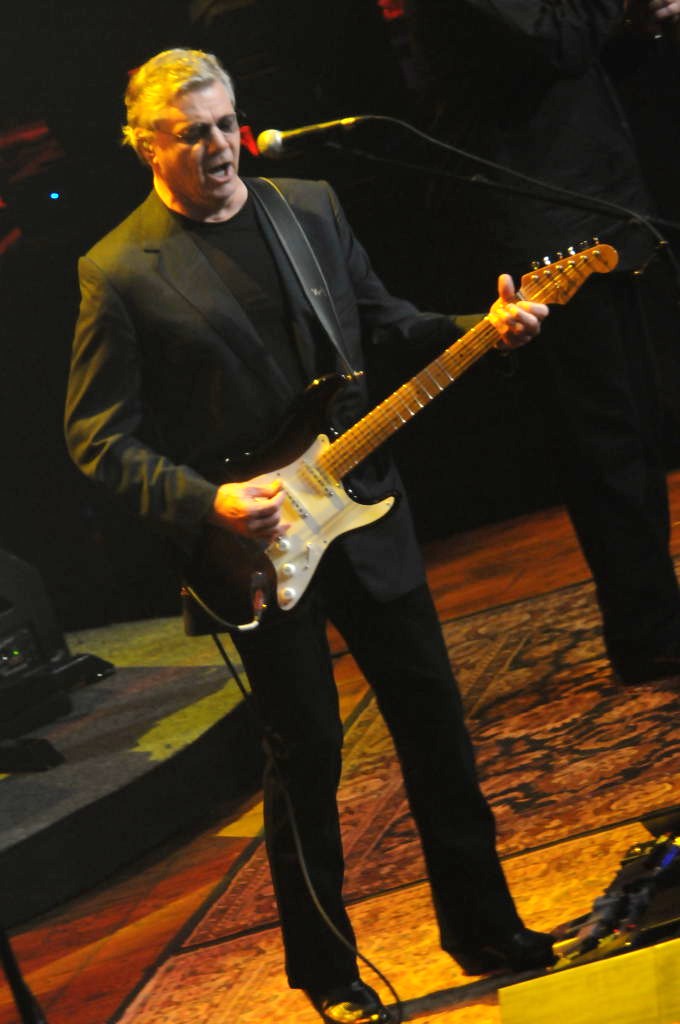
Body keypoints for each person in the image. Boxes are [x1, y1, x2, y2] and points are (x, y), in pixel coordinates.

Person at [64, 49, 554, 1024]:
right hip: (255, 549)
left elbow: (387, 324)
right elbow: (96, 438)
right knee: (307, 758)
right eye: (192, 134)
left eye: (226, 124)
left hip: (363, 507)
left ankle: (485, 926)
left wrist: (483, 325)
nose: (219, 146)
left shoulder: (308, 208)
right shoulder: (118, 271)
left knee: (435, 726)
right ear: (146, 147)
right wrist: (208, 501)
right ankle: (328, 975)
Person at [405, 0, 680, 687]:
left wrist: (638, 25)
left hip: (600, 200)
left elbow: (580, 56)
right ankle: (647, 635)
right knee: (604, 442)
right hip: (544, 218)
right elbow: (551, 40)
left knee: (640, 426)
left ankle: (658, 617)